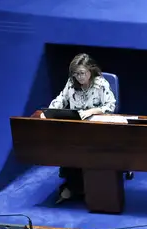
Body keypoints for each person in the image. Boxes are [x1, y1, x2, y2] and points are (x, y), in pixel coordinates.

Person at [49, 54, 117, 203]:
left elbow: (110, 106)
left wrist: (93, 111)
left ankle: (76, 189)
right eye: (76, 74)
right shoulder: (71, 83)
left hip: (97, 130)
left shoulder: (100, 84)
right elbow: (61, 99)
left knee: (86, 150)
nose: (79, 77)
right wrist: (49, 111)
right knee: (68, 148)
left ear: (90, 70)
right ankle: (75, 186)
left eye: (82, 73)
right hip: (76, 129)